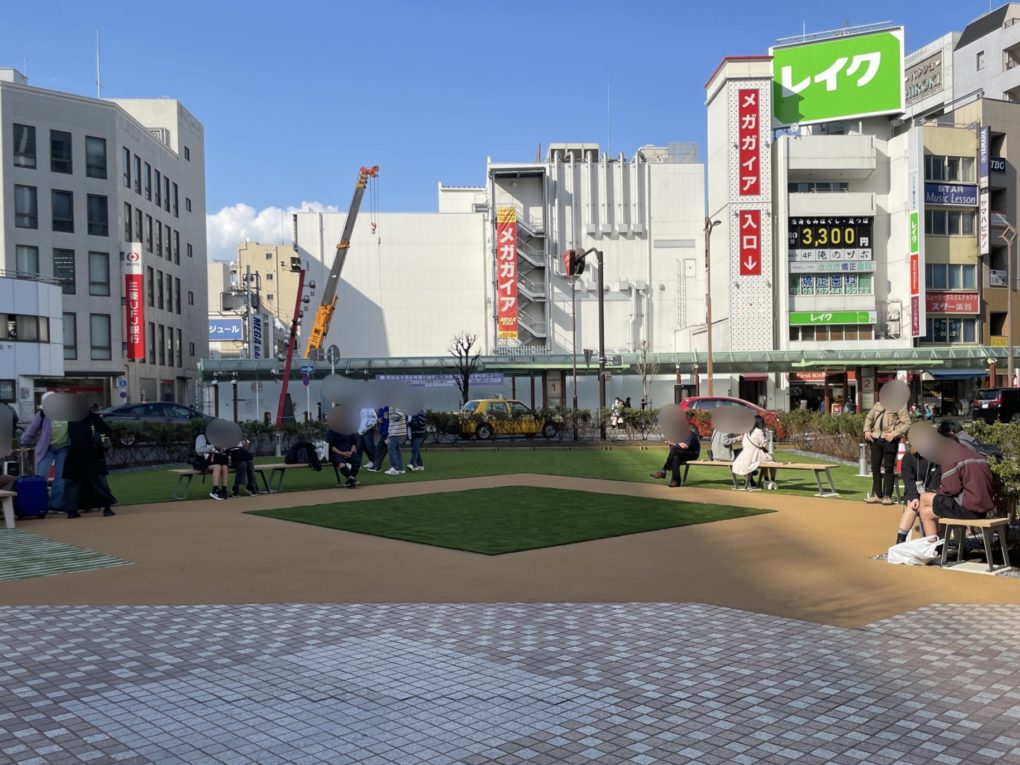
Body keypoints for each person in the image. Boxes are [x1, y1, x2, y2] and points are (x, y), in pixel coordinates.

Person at [918, 434, 995, 538]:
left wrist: (938, 491)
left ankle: (933, 545)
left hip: (968, 509)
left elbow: (950, 489)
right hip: (983, 509)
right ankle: (937, 542)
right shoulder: (975, 454)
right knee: (926, 512)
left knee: (924, 498)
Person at [62, 409, 117, 518]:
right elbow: (106, 431)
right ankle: (107, 507)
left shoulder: (72, 419)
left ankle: (71, 510)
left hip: (75, 455)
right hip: (93, 454)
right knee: (99, 482)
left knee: (74, 483)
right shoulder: (93, 418)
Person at [20, 392, 69, 512]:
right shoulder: (42, 414)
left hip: (64, 448)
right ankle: (41, 503)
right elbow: (32, 429)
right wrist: (23, 441)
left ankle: (56, 505)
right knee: (41, 476)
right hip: (47, 448)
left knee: (61, 478)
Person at [863, 398, 910, 505]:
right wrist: (866, 430)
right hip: (876, 439)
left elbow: (907, 423)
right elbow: (869, 417)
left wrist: (894, 434)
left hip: (890, 440)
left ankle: (887, 496)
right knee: (875, 467)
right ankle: (878, 495)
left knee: (888, 468)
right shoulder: (878, 405)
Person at [895, 440, 943, 544]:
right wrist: (914, 497)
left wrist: (924, 499)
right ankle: (900, 541)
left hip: (931, 496)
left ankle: (936, 544)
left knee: (928, 509)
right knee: (913, 506)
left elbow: (935, 483)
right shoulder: (908, 458)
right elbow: (909, 481)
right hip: (914, 494)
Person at [731, 415, 775, 490]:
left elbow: (743, 443)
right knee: (772, 461)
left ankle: (766, 479)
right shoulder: (759, 431)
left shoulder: (747, 432)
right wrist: (767, 439)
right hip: (755, 455)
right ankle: (771, 480)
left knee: (767, 461)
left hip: (744, 456)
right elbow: (763, 444)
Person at [194, 427, 230, 500]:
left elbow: (221, 449)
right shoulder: (201, 437)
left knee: (224, 467)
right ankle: (215, 490)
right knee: (217, 467)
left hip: (213, 460)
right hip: (202, 462)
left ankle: (224, 490)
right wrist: (212, 446)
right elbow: (199, 451)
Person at [384, 407, 406, 476]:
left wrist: (390, 417)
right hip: (396, 431)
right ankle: (400, 468)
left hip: (396, 431)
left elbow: (400, 414)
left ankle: (395, 468)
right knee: (397, 449)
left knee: (391, 448)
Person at [357, 406, 379, 472]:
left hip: (368, 430)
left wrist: (367, 426)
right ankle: (358, 464)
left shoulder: (368, 407)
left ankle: (374, 462)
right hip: (360, 431)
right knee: (360, 447)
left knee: (370, 446)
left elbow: (374, 417)